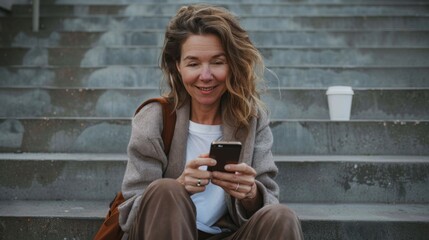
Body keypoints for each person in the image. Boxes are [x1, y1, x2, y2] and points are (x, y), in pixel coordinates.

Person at [118, 4, 304, 240]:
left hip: (226, 233)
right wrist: (179, 186)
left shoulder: (251, 119)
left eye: (217, 62)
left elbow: (268, 198)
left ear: (232, 64)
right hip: (162, 231)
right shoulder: (155, 117)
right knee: (167, 189)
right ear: (178, 66)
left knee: (282, 217)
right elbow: (130, 209)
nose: (206, 76)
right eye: (193, 63)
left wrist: (250, 194)